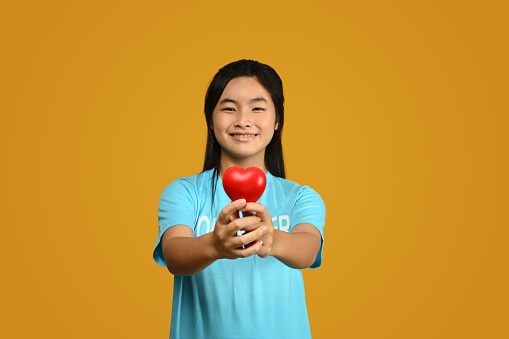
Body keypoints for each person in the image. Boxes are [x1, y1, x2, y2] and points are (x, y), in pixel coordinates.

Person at [153, 59, 326, 338]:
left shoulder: (300, 196)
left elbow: (308, 249)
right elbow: (174, 254)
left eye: (258, 108)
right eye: (229, 108)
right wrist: (215, 244)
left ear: (277, 119)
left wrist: (272, 240)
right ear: (211, 119)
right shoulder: (183, 192)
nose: (243, 120)